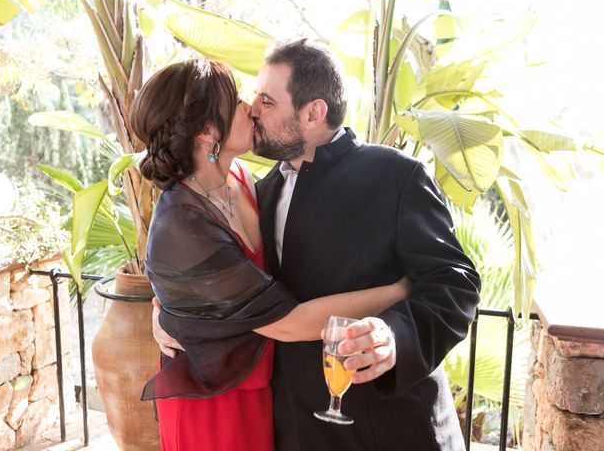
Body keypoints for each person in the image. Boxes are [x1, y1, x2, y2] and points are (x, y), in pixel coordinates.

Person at [155, 40, 481, 450]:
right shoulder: (262, 191)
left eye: (267, 101)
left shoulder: (397, 176)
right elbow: (214, 273)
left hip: (391, 429)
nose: (253, 108)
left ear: (313, 113)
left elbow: (455, 284)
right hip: (296, 431)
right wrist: (166, 311)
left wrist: (394, 335)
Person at [131, 59, 411, 451]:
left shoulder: (242, 180)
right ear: (208, 131)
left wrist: (165, 307)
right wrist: (400, 290)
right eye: (238, 101)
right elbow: (288, 322)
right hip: (209, 400)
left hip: (260, 392)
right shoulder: (182, 221)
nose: (251, 107)